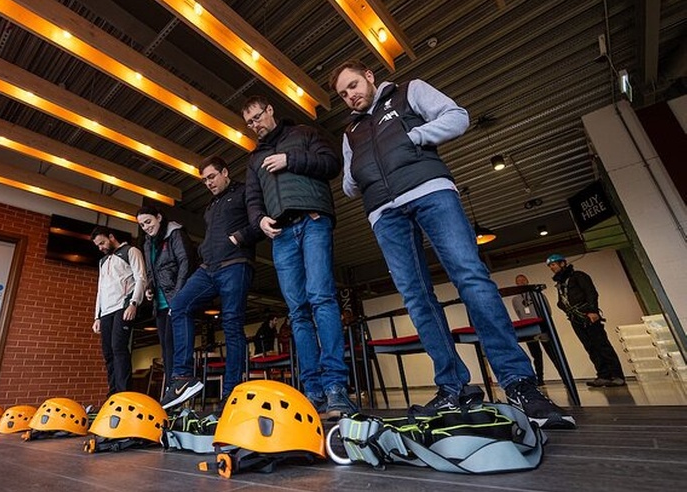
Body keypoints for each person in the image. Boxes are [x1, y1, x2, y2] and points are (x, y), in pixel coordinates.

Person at [330, 59, 574, 429]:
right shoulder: (350, 132)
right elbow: (348, 185)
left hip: (430, 191)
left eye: (353, 85)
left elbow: (457, 116)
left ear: (368, 76)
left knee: (470, 277)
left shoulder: (408, 91)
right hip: (383, 212)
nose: (350, 95)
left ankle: (517, 383)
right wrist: (359, 173)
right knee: (415, 297)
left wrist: (414, 137)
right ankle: (453, 388)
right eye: (343, 93)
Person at [242, 95, 357, 419]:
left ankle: (336, 387)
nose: (255, 125)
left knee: (321, 299)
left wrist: (289, 160)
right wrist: (259, 220)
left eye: (257, 115)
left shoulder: (305, 133)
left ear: (270, 110)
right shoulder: (254, 160)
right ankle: (313, 392)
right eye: (249, 122)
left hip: (313, 220)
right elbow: (253, 198)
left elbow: (331, 164)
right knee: (297, 312)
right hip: (281, 235)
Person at [160, 156, 262, 412]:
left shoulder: (243, 192)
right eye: (204, 180)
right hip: (209, 268)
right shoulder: (210, 206)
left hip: (236, 264)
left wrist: (240, 237)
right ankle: (183, 377)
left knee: (231, 324)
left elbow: (259, 221)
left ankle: (231, 394)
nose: (208, 183)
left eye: (211, 177)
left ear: (225, 172)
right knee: (179, 306)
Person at [546, 254, 625, 387]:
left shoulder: (578, 276)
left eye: (553, 265)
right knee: (590, 347)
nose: (551, 268)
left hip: (588, 315)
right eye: (550, 266)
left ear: (562, 263)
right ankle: (603, 375)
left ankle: (617, 376)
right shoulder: (560, 284)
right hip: (575, 318)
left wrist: (593, 311)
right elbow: (561, 302)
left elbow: (591, 292)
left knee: (602, 345)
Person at [136, 205, 194, 384]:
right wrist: (150, 288)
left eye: (148, 222)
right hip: (160, 304)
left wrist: (178, 297)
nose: (146, 227)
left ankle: (179, 388)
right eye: (142, 225)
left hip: (176, 300)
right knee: (166, 348)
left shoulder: (175, 234)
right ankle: (171, 390)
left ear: (159, 217)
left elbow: (186, 262)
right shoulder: (148, 242)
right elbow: (153, 271)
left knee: (177, 347)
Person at [90, 227, 146, 395]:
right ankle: (112, 394)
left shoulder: (131, 251)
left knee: (118, 348)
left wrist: (134, 303)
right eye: (98, 245)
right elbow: (100, 289)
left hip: (123, 307)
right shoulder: (103, 261)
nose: (101, 247)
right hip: (106, 312)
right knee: (108, 353)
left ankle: (123, 393)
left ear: (111, 237)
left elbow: (141, 278)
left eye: (102, 243)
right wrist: (97, 317)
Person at [510, 274, 564, 385]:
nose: (521, 282)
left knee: (552, 353)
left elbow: (547, 310)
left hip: (541, 327)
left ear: (527, 281)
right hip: (528, 330)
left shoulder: (538, 295)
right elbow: (519, 313)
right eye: (519, 281)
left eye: (523, 280)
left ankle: (564, 377)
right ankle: (540, 379)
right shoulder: (515, 299)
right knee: (536, 355)